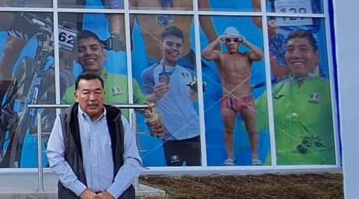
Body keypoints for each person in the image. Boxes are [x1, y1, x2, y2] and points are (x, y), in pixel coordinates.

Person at [47, 72, 142, 199]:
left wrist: (112, 193)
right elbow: (55, 158)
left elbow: (133, 160)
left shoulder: (118, 121)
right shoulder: (65, 121)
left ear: (104, 94)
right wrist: (83, 192)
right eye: (86, 92)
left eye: (97, 92)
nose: (92, 98)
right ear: (76, 96)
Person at [202, 27, 265, 166]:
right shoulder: (220, 56)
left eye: (235, 40)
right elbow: (205, 54)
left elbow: (260, 55)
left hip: (246, 99)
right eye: (228, 40)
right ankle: (230, 157)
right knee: (229, 130)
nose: (231, 43)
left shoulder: (247, 56)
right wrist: (218, 40)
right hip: (228, 100)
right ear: (225, 42)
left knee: (252, 129)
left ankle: (255, 156)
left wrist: (246, 42)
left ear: (239, 41)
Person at [271, 30, 335, 166]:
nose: (296, 55)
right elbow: (250, 123)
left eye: (303, 49)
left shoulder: (330, 91)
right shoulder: (275, 91)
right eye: (290, 50)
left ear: (316, 56)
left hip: (319, 169)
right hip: (276, 169)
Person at [141, 27, 201, 166]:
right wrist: (156, 95)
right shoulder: (149, 73)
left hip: (194, 131)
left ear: (182, 49)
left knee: (197, 175)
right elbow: (143, 103)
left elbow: (195, 100)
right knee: (173, 175)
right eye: (169, 44)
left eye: (178, 45)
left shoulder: (190, 73)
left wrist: (196, 92)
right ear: (161, 45)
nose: (174, 48)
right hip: (171, 135)